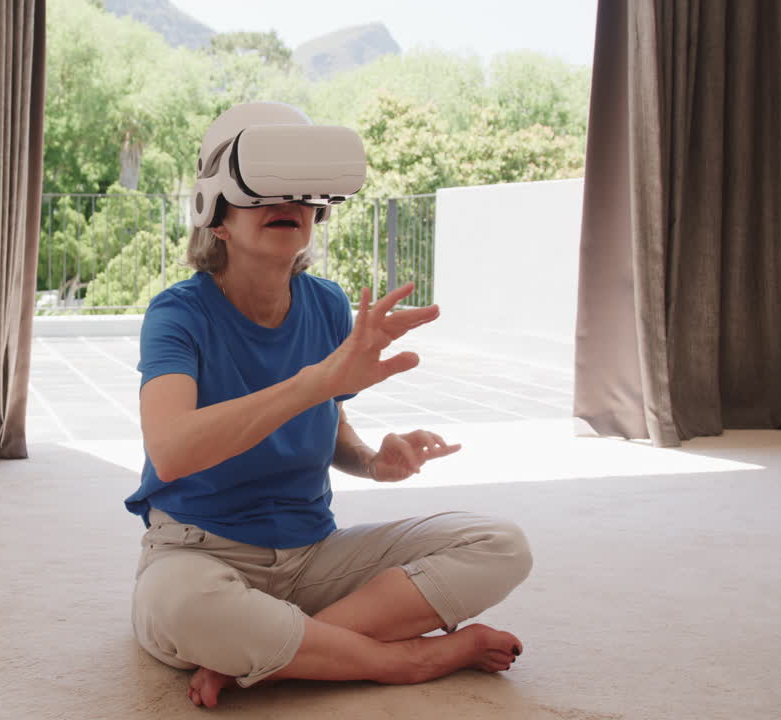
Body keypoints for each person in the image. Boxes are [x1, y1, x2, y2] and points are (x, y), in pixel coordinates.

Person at [125, 103, 532, 709]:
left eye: (299, 195)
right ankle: (407, 660)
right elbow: (173, 450)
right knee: (179, 609)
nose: (286, 204)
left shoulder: (327, 304)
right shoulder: (177, 314)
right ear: (215, 218)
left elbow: (330, 424)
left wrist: (373, 462)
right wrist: (316, 381)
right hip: (199, 553)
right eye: (262, 192)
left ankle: (271, 660)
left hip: (316, 555)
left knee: (501, 544)